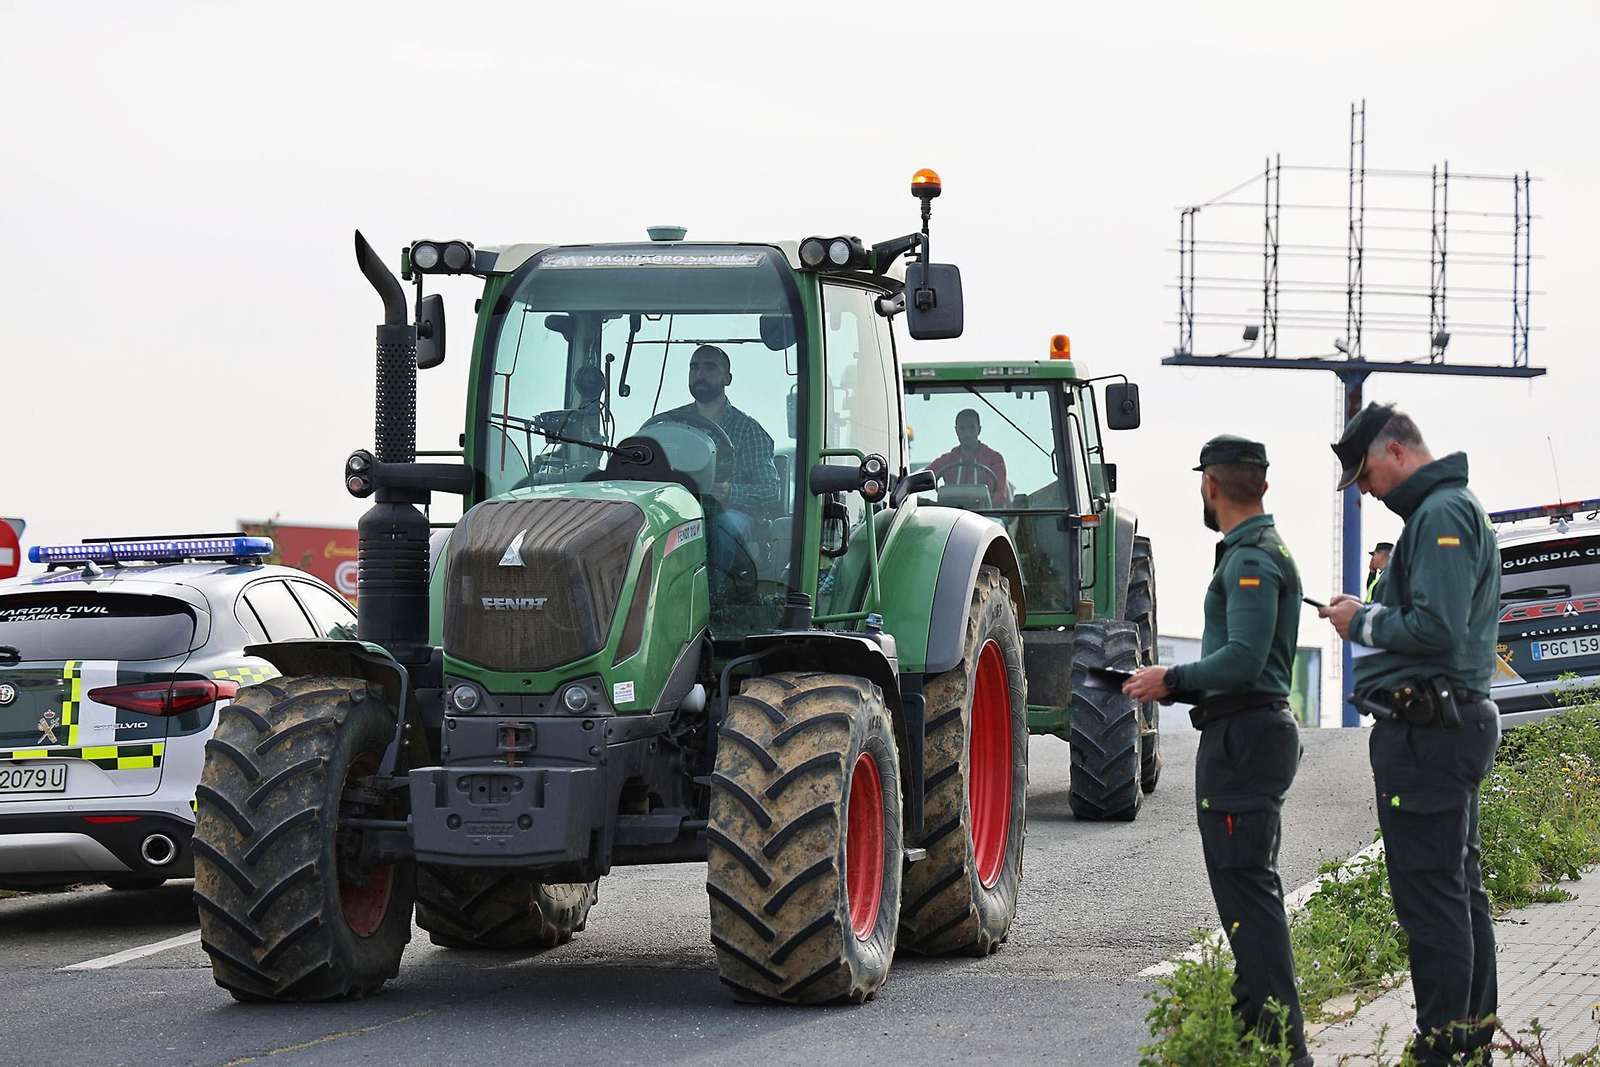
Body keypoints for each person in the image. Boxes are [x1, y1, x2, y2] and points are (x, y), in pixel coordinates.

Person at [1318, 403, 1500, 1067]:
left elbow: (1439, 627)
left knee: (1432, 899)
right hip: (1439, 725)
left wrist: (1363, 622)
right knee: (1456, 888)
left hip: (1433, 730)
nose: (1365, 491)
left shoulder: (1442, 515)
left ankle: (1444, 1047)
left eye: (1365, 475)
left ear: (1395, 451)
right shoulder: (1439, 512)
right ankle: (1469, 1041)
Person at [1124, 435, 1311, 1067]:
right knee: (1245, 895)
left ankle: (1284, 1050)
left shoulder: (1251, 558)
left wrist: (1169, 680)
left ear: (1210, 484)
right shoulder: (1252, 551)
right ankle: (1253, 1035)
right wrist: (1176, 690)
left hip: (1245, 740)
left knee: (1249, 897)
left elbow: (1245, 660)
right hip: (1244, 734)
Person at [659, 344, 781, 597]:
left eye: (709, 367)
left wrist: (729, 492)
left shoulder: (749, 431)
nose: (699, 373)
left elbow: (771, 491)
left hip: (733, 514)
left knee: (721, 525)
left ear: (728, 378)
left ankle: (706, 603)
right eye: (694, 367)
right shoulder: (669, 424)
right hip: (677, 510)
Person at [928, 408, 1009, 506]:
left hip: (986, 518)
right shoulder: (947, 460)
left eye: (971, 428)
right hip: (951, 518)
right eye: (962, 428)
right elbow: (920, 481)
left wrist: (979, 508)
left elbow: (999, 497)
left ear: (979, 430)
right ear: (956, 430)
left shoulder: (994, 459)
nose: (966, 433)